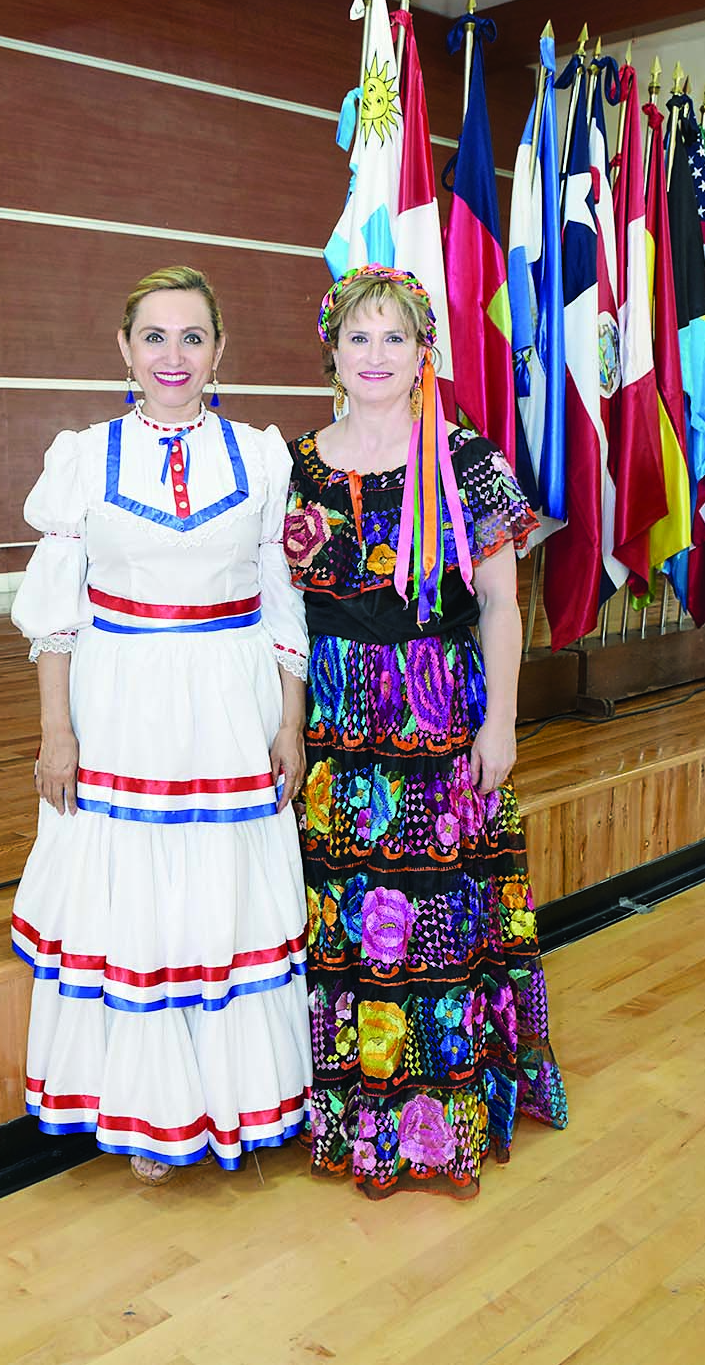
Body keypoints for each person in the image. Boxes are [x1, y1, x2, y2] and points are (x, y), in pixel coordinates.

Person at [10, 265, 312, 1186]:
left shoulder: (262, 458)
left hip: (229, 700)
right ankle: (146, 1114)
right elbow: (56, 613)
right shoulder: (82, 457)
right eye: (154, 336)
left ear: (220, 350)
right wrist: (55, 733)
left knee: (219, 897)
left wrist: (290, 724)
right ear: (123, 350)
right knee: (133, 900)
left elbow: (281, 602)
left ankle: (230, 1101)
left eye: (191, 337)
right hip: (121, 700)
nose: (171, 356)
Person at [283, 264, 567, 1200]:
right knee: (353, 920)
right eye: (358, 337)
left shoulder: (463, 458)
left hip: (439, 711)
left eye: (393, 338)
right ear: (332, 349)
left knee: (438, 919)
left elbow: (498, 602)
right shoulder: (294, 466)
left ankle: (442, 1120)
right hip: (336, 720)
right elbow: (271, 614)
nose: (375, 355)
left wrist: (502, 722)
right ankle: (359, 1115)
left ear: (421, 354)